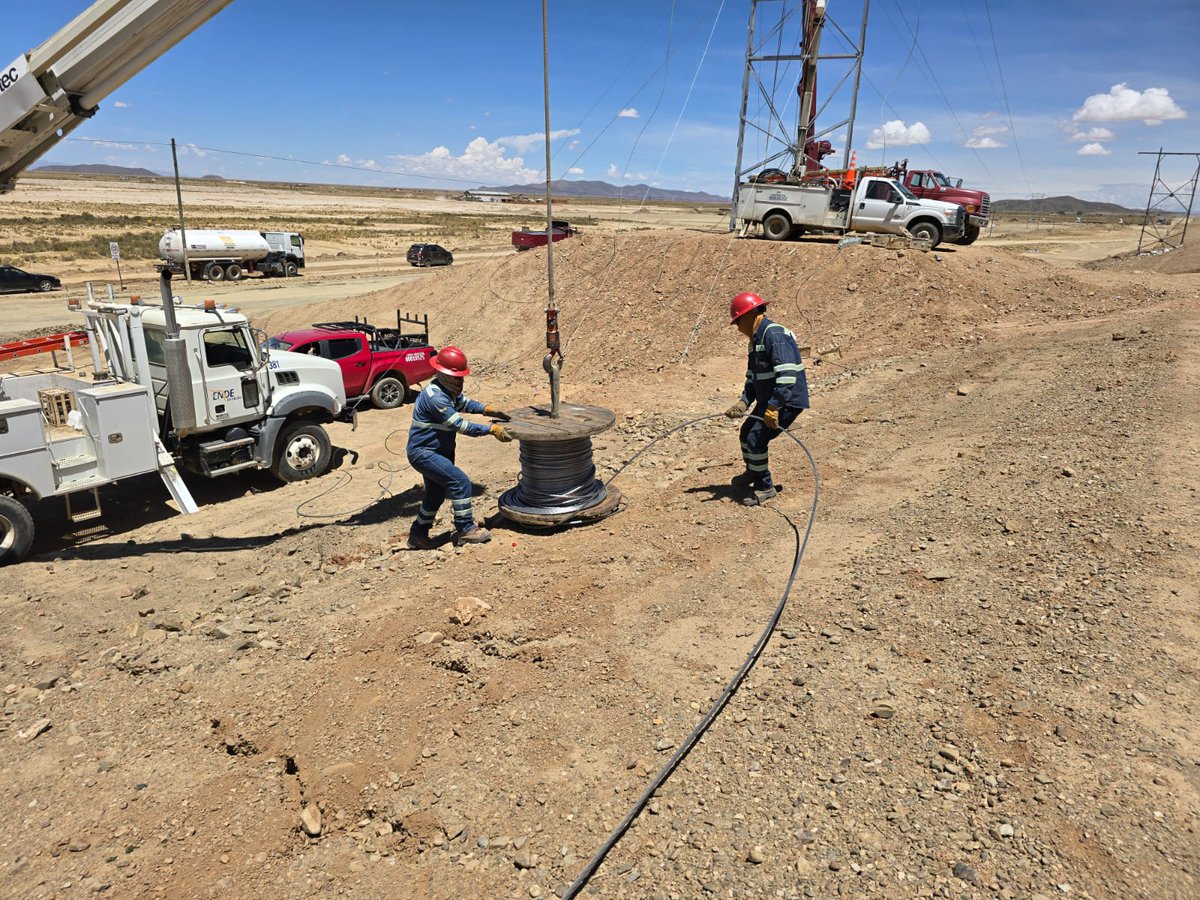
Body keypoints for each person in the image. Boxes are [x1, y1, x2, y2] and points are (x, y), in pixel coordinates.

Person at [406, 346, 513, 549]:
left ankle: (417, 535)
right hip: (424, 453)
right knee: (460, 482)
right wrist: (490, 429)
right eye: (457, 378)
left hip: (436, 452)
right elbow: (459, 425)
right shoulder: (435, 398)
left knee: (435, 494)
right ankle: (465, 530)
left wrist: (486, 409)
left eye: (461, 377)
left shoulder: (446, 391)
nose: (460, 382)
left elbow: (464, 403)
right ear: (443, 375)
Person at [724, 292, 810, 505]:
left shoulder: (774, 335)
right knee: (746, 434)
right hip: (769, 400)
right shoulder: (755, 341)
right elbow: (753, 377)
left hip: (786, 400)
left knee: (756, 438)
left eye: (738, 321)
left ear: (752, 314)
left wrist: (774, 407)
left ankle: (765, 486)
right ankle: (753, 471)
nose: (737, 327)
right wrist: (744, 401)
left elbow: (787, 375)